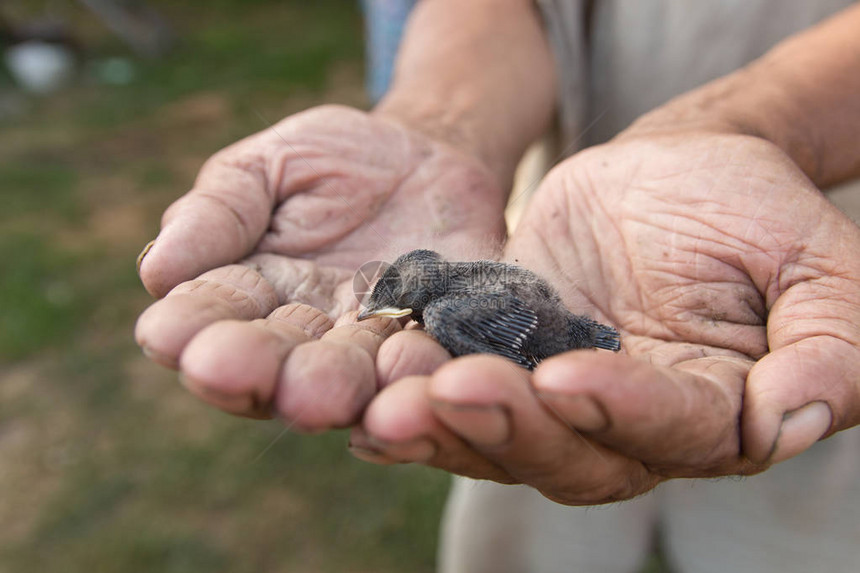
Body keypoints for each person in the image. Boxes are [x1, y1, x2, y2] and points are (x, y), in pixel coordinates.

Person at [135, 1, 860, 571]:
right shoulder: (449, 283)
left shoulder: (450, 305)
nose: (387, 307)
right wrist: (438, 124)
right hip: (585, 256)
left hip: (757, 275)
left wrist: (747, 127)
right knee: (526, 485)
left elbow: (513, 322)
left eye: (394, 299)